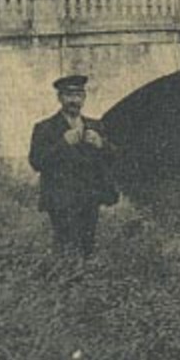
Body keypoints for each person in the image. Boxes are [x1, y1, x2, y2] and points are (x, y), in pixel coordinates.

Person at [28, 74, 119, 256]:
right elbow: (36, 161)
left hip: (90, 197)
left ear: (84, 98)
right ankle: (66, 281)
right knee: (66, 246)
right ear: (60, 98)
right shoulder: (45, 128)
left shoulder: (95, 126)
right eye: (69, 95)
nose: (74, 100)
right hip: (61, 199)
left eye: (78, 95)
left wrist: (102, 144)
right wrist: (62, 144)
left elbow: (115, 157)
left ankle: (85, 282)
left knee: (87, 246)